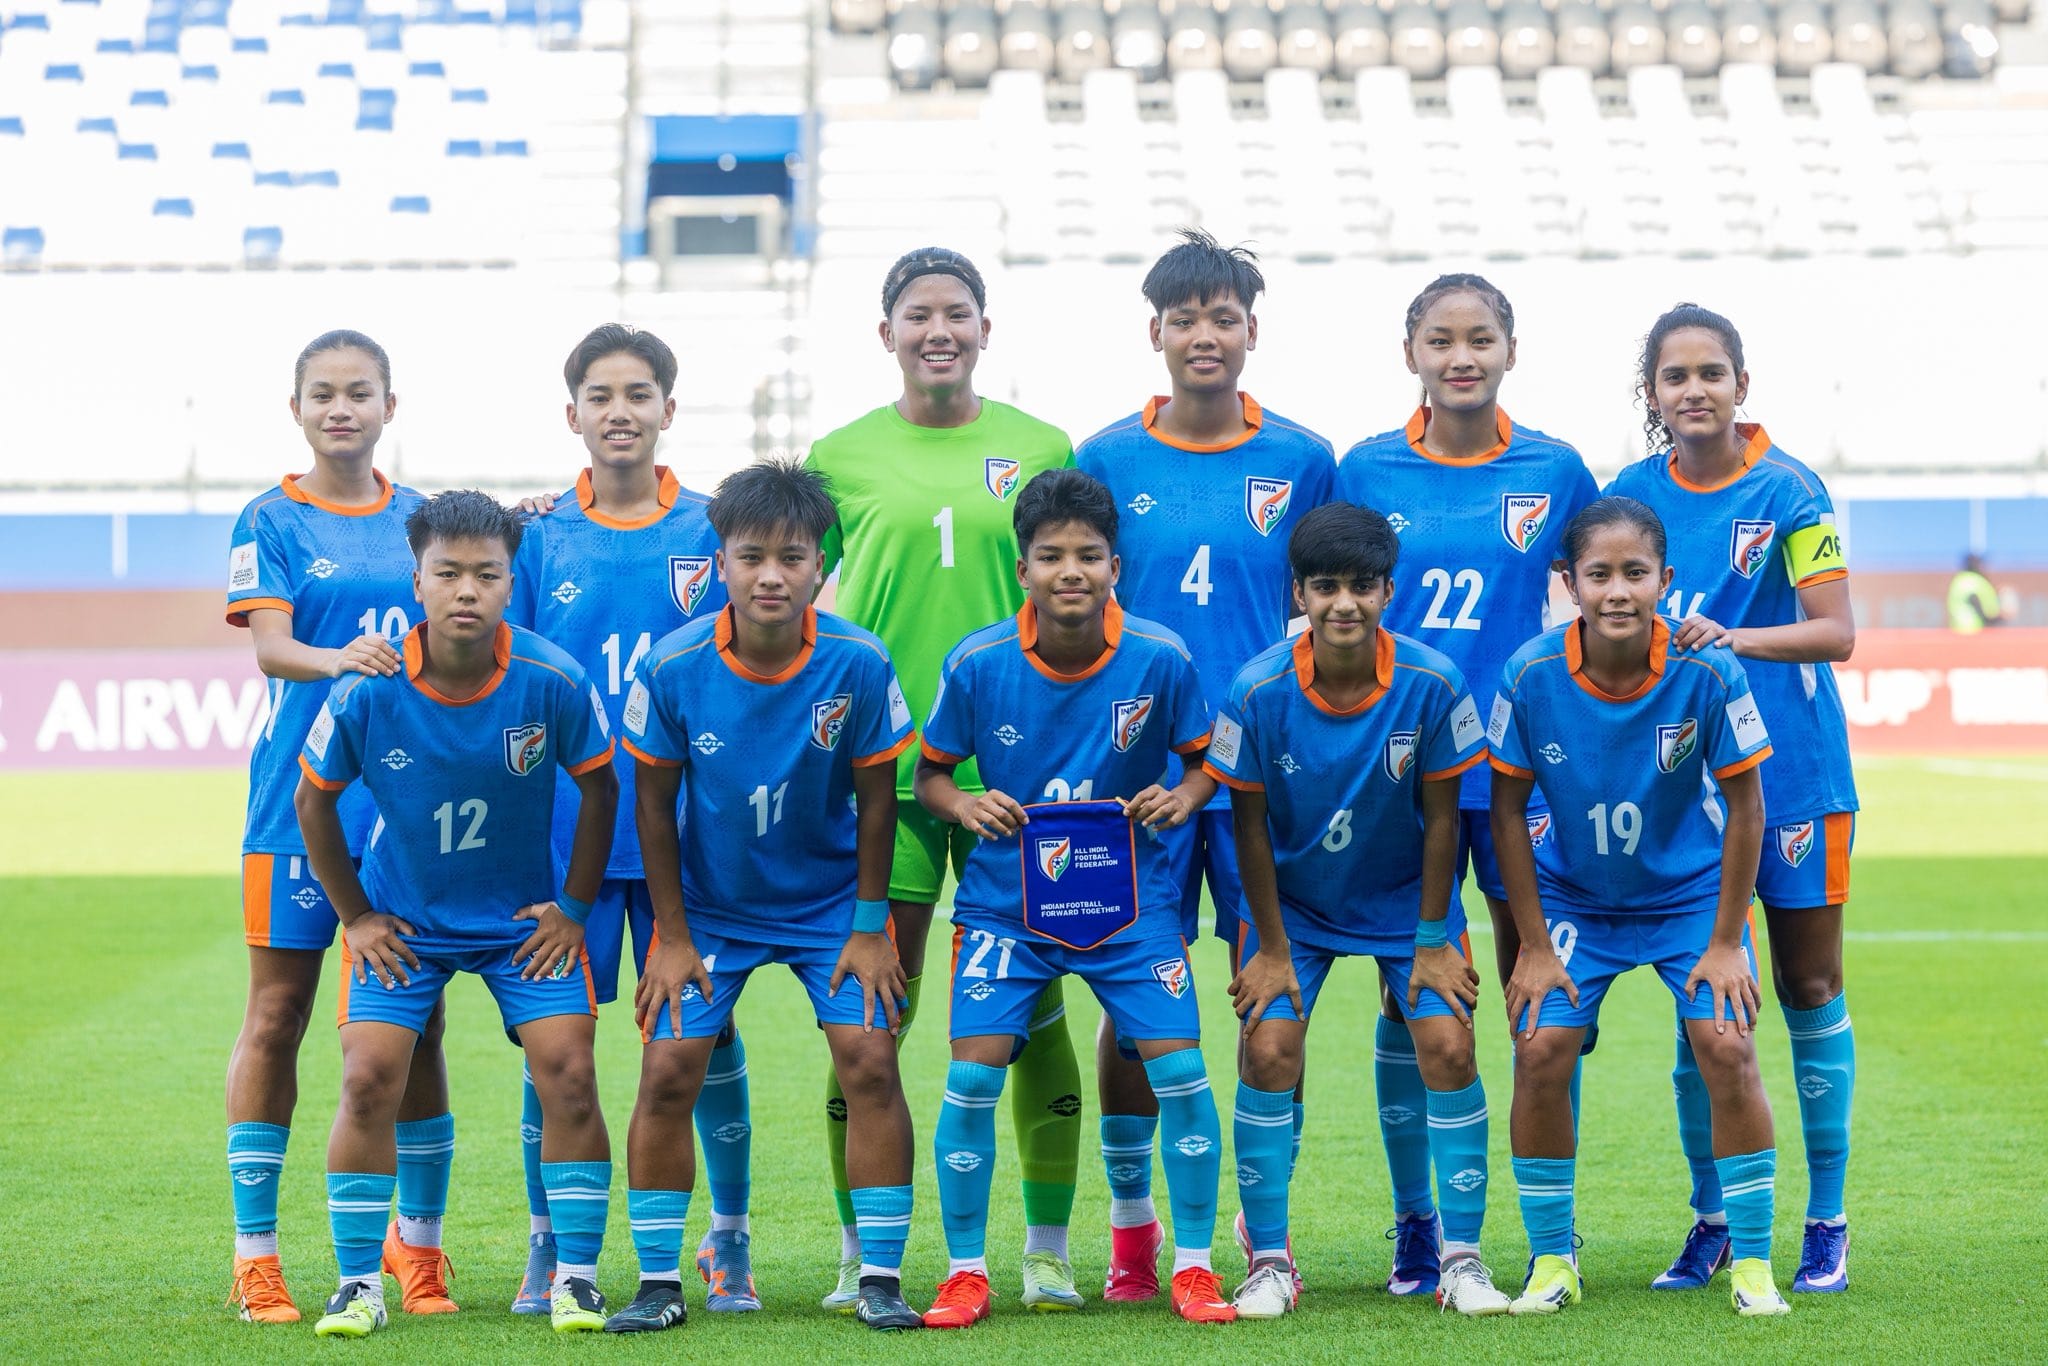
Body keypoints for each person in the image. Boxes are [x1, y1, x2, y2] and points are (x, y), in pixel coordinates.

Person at [802, 248, 1085, 1310]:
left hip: (1024, 770)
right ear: (885, 334)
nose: (937, 330)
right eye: (916, 314)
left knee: (1033, 1012)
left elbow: (1078, 583)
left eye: (955, 313)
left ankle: (1046, 1249)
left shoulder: (1037, 445)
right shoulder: (837, 455)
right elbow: (781, 574)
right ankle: (855, 1248)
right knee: (871, 1018)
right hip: (887, 774)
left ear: (982, 328)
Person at [1074, 230, 1334, 1301]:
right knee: (1134, 1006)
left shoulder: (1302, 460)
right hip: (1135, 779)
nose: (1203, 335)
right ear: (1154, 333)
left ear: (1250, 333)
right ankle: (1134, 1234)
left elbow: (1324, 602)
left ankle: (1257, 1218)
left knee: (1268, 993)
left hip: (1260, 776)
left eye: (1222, 317)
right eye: (1183, 319)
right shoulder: (1100, 460)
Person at [295, 490, 621, 1336]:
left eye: (486, 573)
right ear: (417, 580)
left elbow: (602, 788)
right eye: (448, 573)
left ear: (512, 583)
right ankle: (360, 1284)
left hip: (522, 926)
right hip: (405, 923)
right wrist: (356, 916)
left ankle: (577, 1279)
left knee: (572, 1073)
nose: (467, 590)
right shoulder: (369, 686)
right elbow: (313, 801)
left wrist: (574, 908)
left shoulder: (552, 677)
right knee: (368, 1076)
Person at [915, 468, 1234, 1328]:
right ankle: (966, 1272)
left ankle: (1196, 1268)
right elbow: (929, 776)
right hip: (1006, 908)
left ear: (1114, 566)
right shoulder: (978, 663)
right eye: (1050, 555)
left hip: (1129, 907)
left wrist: (1185, 795)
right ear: (1021, 569)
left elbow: (1208, 761)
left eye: (1088, 555)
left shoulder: (1160, 658)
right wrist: (964, 802)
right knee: (973, 1078)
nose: (1070, 571)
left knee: (1180, 1070)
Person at [1334, 275, 1598, 1296]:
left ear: (1508, 350)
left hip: (1513, 768)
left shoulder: (1554, 468)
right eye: (1439, 339)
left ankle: (1546, 1237)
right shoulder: (1363, 466)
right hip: (1390, 767)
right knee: (1410, 998)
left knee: (1535, 991)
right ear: (1409, 350)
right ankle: (1421, 1225)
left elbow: (1602, 589)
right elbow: (1328, 589)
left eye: (1479, 338)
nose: (1460, 356)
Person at [615, 459, 923, 1333]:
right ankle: (658, 1285)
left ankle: (882, 1280)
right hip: (711, 910)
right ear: (720, 563)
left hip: (830, 907)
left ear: (821, 565)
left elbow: (877, 803)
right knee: (669, 1067)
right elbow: (650, 803)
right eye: (751, 556)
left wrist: (870, 929)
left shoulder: (858, 662)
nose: (772, 575)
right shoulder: (673, 667)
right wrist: (670, 937)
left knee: (870, 1058)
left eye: (792, 556)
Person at [1608, 304, 1859, 1295]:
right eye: (1673, 377)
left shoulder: (1790, 489)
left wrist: (1728, 639)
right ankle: (1711, 1218)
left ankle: (1825, 1218)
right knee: (1701, 1002)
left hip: (1793, 772)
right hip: (1679, 785)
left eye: (1711, 372)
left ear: (1739, 386)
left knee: (1805, 988)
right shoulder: (1626, 493)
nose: (1693, 390)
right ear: (1652, 396)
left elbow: (1834, 630)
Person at [1489, 496, 1790, 1319]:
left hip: (1688, 897)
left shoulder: (1708, 671)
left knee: (1725, 1048)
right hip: (1577, 900)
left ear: (1666, 579)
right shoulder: (1529, 673)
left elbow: (1749, 807)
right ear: (1568, 583)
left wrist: (1727, 941)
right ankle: (1553, 1259)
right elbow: (1507, 811)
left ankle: (1753, 1262)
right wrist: (1532, 946)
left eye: (1634, 573)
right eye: (1598, 574)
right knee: (1542, 1047)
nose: (1616, 590)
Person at [502, 324, 750, 1315]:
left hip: (685, 840)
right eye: (599, 395)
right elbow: (508, 687)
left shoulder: (711, 531)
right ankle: (549, 1242)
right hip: (567, 838)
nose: (619, 411)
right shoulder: (535, 538)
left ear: (667, 411)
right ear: (572, 415)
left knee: (702, 1042)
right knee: (552, 1043)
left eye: (638, 393)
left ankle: (724, 1241)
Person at [1209, 503, 1507, 1319]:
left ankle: (1462, 1260)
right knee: (1269, 1050)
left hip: (1404, 902)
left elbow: (1444, 816)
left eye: (1363, 586)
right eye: (1326, 586)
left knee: (1447, 1043)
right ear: (1298, 593)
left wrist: (1433, 938)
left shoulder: (1434, 682)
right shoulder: (1256, 688)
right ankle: (1268, 1260)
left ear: (1389, 591)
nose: (1345, 603)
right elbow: (1248, 826)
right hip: (1294, 910)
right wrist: (1269, 948)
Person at [222, 330, 455, 1324]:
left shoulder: (419, 520)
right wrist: (346, 658)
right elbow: (271, 647)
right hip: (295, 802)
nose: (341, 408)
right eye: (323, 393)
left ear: (389, 407)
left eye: (359, 392)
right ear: (297, 408)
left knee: (421, 1024)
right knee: (278, 1017)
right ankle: (256, 1257)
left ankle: (419, 1247)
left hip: (404, 813)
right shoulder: (268, 517)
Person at [1947, 553, 2004, 634]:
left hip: (1957, 628)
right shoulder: (1974, 580)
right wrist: (1989, 620)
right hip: (1973, 629)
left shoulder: (1958, 579)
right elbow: (1973, 599)